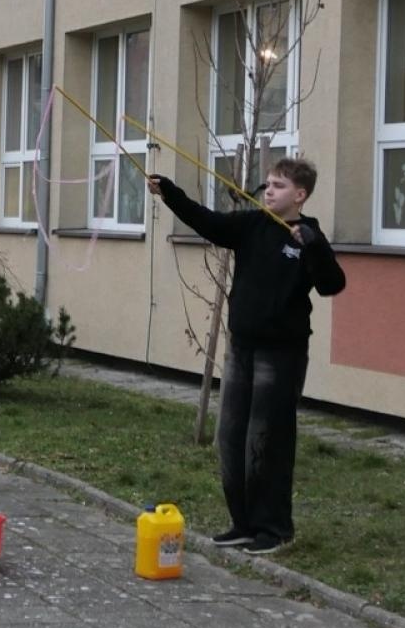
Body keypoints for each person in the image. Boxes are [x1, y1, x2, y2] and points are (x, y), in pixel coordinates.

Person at [147, 157, 346, 556]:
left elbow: (331, 285)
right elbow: (208, 221)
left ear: (300, 195)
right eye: (267, 185)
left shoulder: (308, 236)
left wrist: (315, 246)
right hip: (242, 348)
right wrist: (169, 192)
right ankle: (242, 523)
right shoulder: (252, 226)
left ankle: (274, 528)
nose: (268, 191)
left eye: (278, 186)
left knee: (267, 439)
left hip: (282, 353)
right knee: (232, 436)